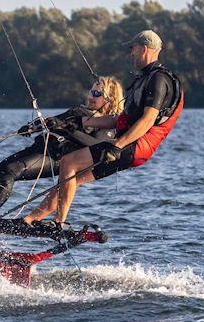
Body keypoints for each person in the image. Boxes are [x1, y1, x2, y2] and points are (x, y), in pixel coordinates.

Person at [24, 29, 184, 227]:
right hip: (131, 147)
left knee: (68, 163)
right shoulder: (145, 78)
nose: (131, 54)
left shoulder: (159, 79)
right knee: (70, 180)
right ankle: (31, 220)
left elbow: (148, 119)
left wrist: (117, 145)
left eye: (133, 48)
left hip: (134, 146)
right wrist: (82, 122)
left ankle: (59, 223)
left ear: (144, 49)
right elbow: (120, 119)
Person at [0, 76, 124, 222]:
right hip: (39, 149)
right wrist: (32, 127)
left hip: (57, 158)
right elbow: (53, 121)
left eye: (97, 94)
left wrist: (70, 130)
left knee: (9, 172)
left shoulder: (108, 124)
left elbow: (95, 148)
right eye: (91, 91)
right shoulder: (77, 112)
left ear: (109, 99)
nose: (91, 96)